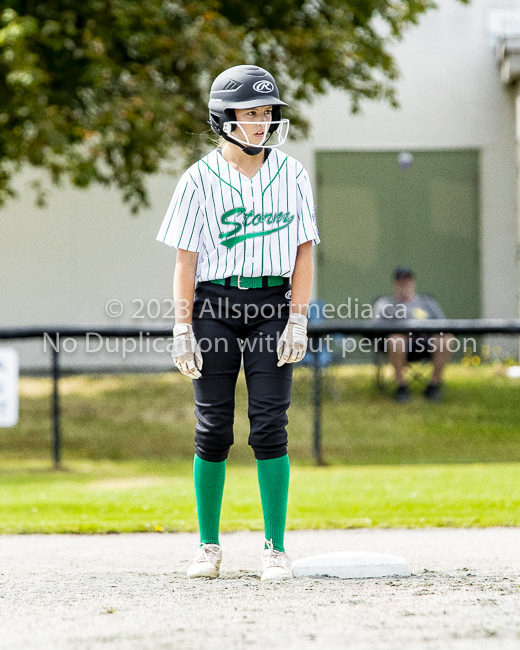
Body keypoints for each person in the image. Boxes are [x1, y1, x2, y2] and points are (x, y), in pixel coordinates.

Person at [156, 65, 320, 581]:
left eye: (268, 113)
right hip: (214, 309)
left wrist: (298, 317)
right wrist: (182, 326)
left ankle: (274, 547)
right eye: (251, 113)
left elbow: (304, 251)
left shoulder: (291, 172)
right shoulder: (198, 178)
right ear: (224, 118)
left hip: (273, 304)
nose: (263, 123)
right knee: (213, 428)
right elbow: (185, 261)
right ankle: (208, 547)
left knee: (271, 424)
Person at [373, 266, 453, 403]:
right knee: (396, 340)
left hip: (426, 342)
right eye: (401, 281)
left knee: (447, 339)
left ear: (413, 282)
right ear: (395, 283)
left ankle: (433, 385)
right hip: (398, 344)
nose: (405, 284)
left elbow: (443, 324)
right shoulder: (384, 303)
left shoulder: (427, 302)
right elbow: (374, 326)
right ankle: (401, 387)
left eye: (408, 280)